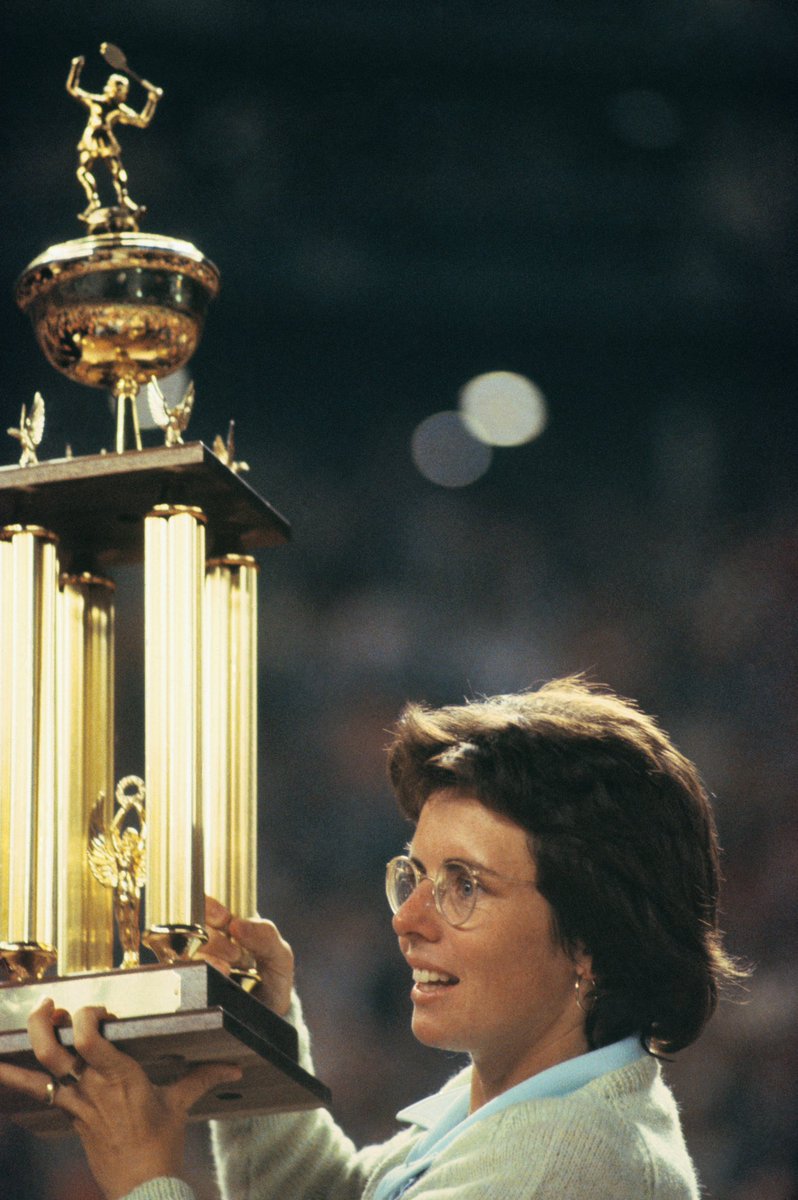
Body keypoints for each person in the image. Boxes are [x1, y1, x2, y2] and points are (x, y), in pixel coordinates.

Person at [0, 677, 745, 1199]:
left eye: (465, 885)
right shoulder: (524, 1102)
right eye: (414, 873)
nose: (407, 918)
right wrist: (253, 1027)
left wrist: (145, 1181)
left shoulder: (562, 1166)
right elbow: (342, 1197)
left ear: (592, 939)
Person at [66, 55, 162, 222]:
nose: (119, 93)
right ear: (109, 88)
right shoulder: (96, 101)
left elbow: (143, 121)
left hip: (106, 141)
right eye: (117, 89)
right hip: (91, 140)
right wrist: (76, 68)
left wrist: (152, 101)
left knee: (117, 171)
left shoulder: (119, 109)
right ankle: (94, 201)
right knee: (83, 171)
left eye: (122, 91)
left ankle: (124, 199)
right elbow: (73, 88)